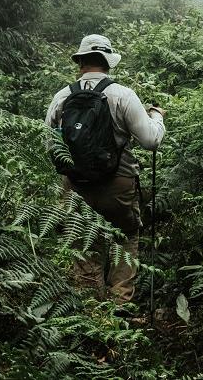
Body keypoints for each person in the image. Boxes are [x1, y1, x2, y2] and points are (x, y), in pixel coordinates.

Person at [45, 34, 165, 304]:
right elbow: (150, 140)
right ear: (108, 62)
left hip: (75, 186)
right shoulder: (122, 95)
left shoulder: (62, 97)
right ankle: (120, 305)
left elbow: (49, 145)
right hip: (118, 184)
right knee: (126, 236)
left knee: (84, 242)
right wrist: (156, 117)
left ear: (81, 62)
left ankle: (89, 308)